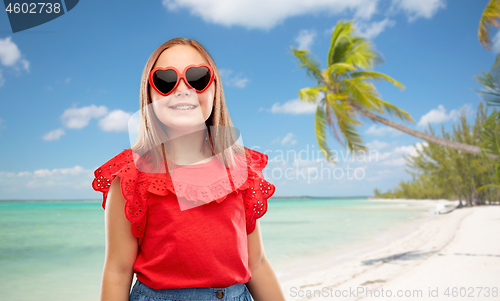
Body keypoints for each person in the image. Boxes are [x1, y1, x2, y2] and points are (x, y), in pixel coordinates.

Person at [92, 37, 286, 301]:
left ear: (214, 90)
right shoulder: (131, 174)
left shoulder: (241, 169)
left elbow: (257, 263)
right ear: (148, 94)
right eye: (165, 81)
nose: (183, 89)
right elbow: (117, 270)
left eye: (197, 78)